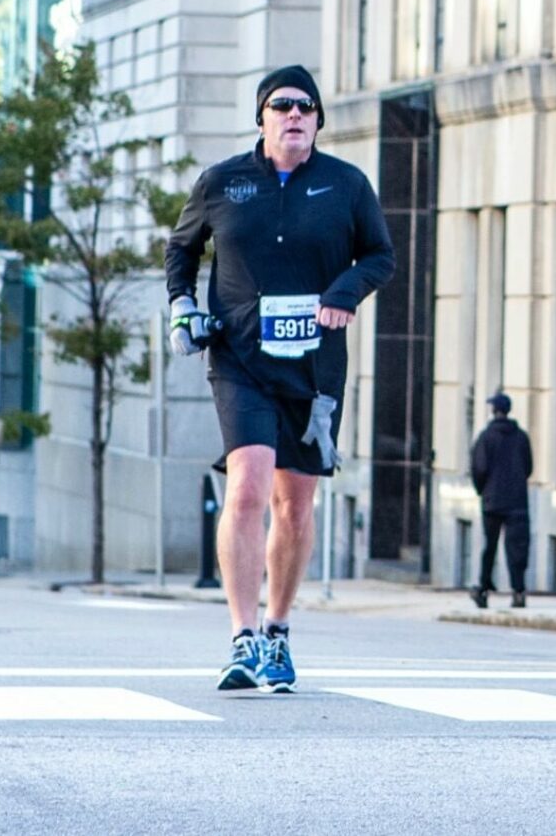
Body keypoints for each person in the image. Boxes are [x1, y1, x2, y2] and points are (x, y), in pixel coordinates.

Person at [165, 64, 394, 695]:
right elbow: (180, 249)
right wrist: (183, 304)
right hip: (239, 359)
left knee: (294, 507)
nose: (294, 115)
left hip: (316, 367)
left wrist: (346, 291)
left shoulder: (347, 186)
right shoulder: (222, 182)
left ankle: (278, 632)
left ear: (319, 120)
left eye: (306, 107)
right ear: (261, 117)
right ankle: (241, 639)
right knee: (248, 487)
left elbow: (380, 255)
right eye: (281, 106)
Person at [466, 392, 532, 610]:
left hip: (492, 501)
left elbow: (479, 468)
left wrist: (482, 491)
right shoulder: (521, 437)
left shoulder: (486, 437)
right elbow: (528, 467)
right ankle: (518, 591)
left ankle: (483, 589)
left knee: (490, 547)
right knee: (517, 548)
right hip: (517, 501)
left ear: (494, 411)